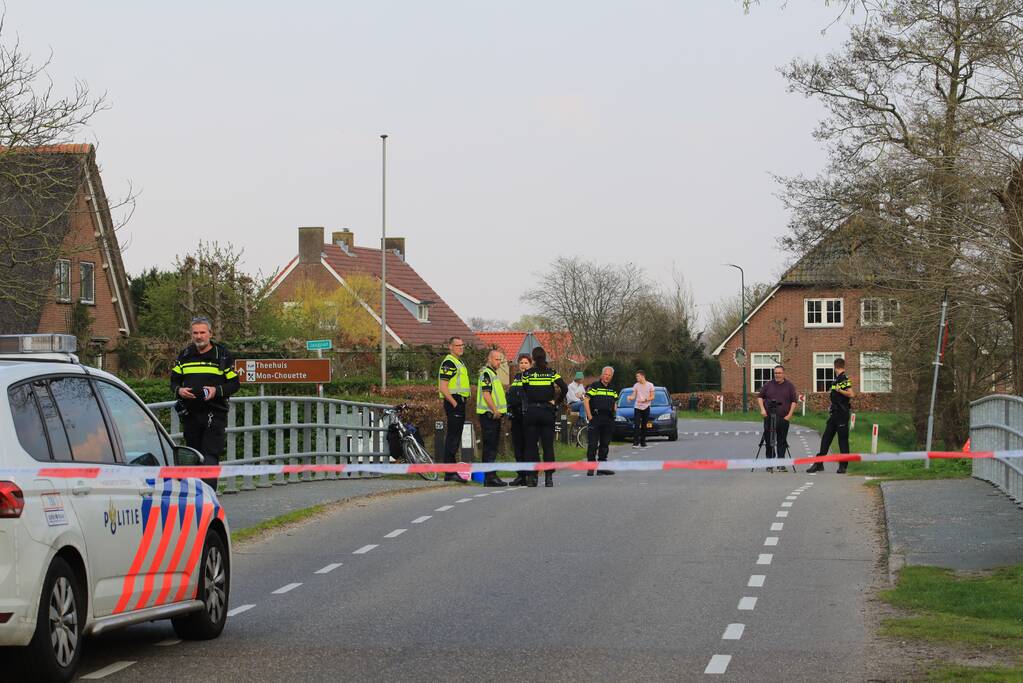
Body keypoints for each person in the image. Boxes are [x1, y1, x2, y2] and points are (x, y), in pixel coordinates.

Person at [170, 316, 240, 490]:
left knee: (209, 455)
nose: (199, 336)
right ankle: (194, 498)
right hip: (190, 414)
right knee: (192, 455)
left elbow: (234, 384)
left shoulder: (222, 355)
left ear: (210, 333)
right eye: (195, 333)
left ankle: (209, 497)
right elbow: (173, 381)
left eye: (202, 332)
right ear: (191, 334)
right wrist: (179, 390)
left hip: (214, 413)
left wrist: (216, 391)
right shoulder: (185, 355)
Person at [521, 346, 568, 487]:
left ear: (533, 358)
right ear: (545, 357)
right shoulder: (551, 373)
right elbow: (565, 388)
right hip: (547, 412)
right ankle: (548, 478)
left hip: (532, 412)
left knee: (531, 446)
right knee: (548, 446)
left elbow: (524, 390)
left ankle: (532, 477)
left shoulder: (527, 374)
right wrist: (556, 402)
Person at [807, 357, 855, 474]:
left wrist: (840, 391)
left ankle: (843, 466)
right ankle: (819, 463)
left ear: (835, 367)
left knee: (842, 440)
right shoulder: (837, 379)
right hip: (834, 414)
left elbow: (851, 394)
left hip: (842, 414)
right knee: (826, 438)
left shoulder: (844, 378)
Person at [438, 336, 471, 483]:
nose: (461, 347)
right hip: (454, 402)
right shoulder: (449, 362)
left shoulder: (459, 362)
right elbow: (443, 387)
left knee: (455, 437)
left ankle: (451, 471)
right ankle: (450, 472)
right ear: (450, 347)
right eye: (457, 345)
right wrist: (455, 403)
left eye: (462, 345)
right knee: (452, 438)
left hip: (459, 401)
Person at [757, 365, 798, 473]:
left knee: (782, 440)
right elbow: (760, 397)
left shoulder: (789, 386)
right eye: (775, 373)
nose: (777, 375)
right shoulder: (768, 384)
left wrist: (789, 415)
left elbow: (794, 401)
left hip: (783, 418)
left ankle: (780, 464)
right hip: (769, 417)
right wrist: (762, 410)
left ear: (783, 374)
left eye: (779, 373)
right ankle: (770, 463)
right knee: (769, 440)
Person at [476, 349, 508, 487]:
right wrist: (495, 410)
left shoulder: (493, 374)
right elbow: (486, 394)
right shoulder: (487, 374)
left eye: (500, 359)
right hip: (489, 416)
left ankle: (490, 477)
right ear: (489, 359)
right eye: (496, 359)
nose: (499, 362)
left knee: (492, 447)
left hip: (493, 416)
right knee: (490, 448)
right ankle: (490, 477)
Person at [584, 366, 618, 476]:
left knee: (605, 444)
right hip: (596, 418)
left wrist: (615, 412)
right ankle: (591, 467)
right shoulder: (594, 386)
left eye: (609, 375)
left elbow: (615, 402)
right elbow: (586, 400)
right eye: (605, 374)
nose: (607, 376)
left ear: (611, 377)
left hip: (608, 418)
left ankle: (602, 468)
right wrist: (589, 415)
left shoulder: (613, 388)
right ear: (602, 375)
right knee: (593, 444)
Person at [505, 353, 533, 486]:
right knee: (518, 446)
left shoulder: (533, 377)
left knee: (528, 446)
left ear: (531, 364)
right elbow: (512, 394)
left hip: (527, 415)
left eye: (526, 363)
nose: (523, 365)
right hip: (515, 415)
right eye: (521, 363)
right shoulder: (516, 377)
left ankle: (529, 475)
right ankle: (520, 475)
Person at [627, 370, 656, 447]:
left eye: (638, 376)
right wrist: (630, 398)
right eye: (636, 376)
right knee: (636, 424)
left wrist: (645, 400)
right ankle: (635, 442)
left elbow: (653, 397)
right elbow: (633, 396)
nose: (636, 378)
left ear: (642, 376)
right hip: (637, 407)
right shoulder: (636, 385)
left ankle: (643, 442)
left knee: (644, 425)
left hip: (646, 407)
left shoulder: (650, 385)